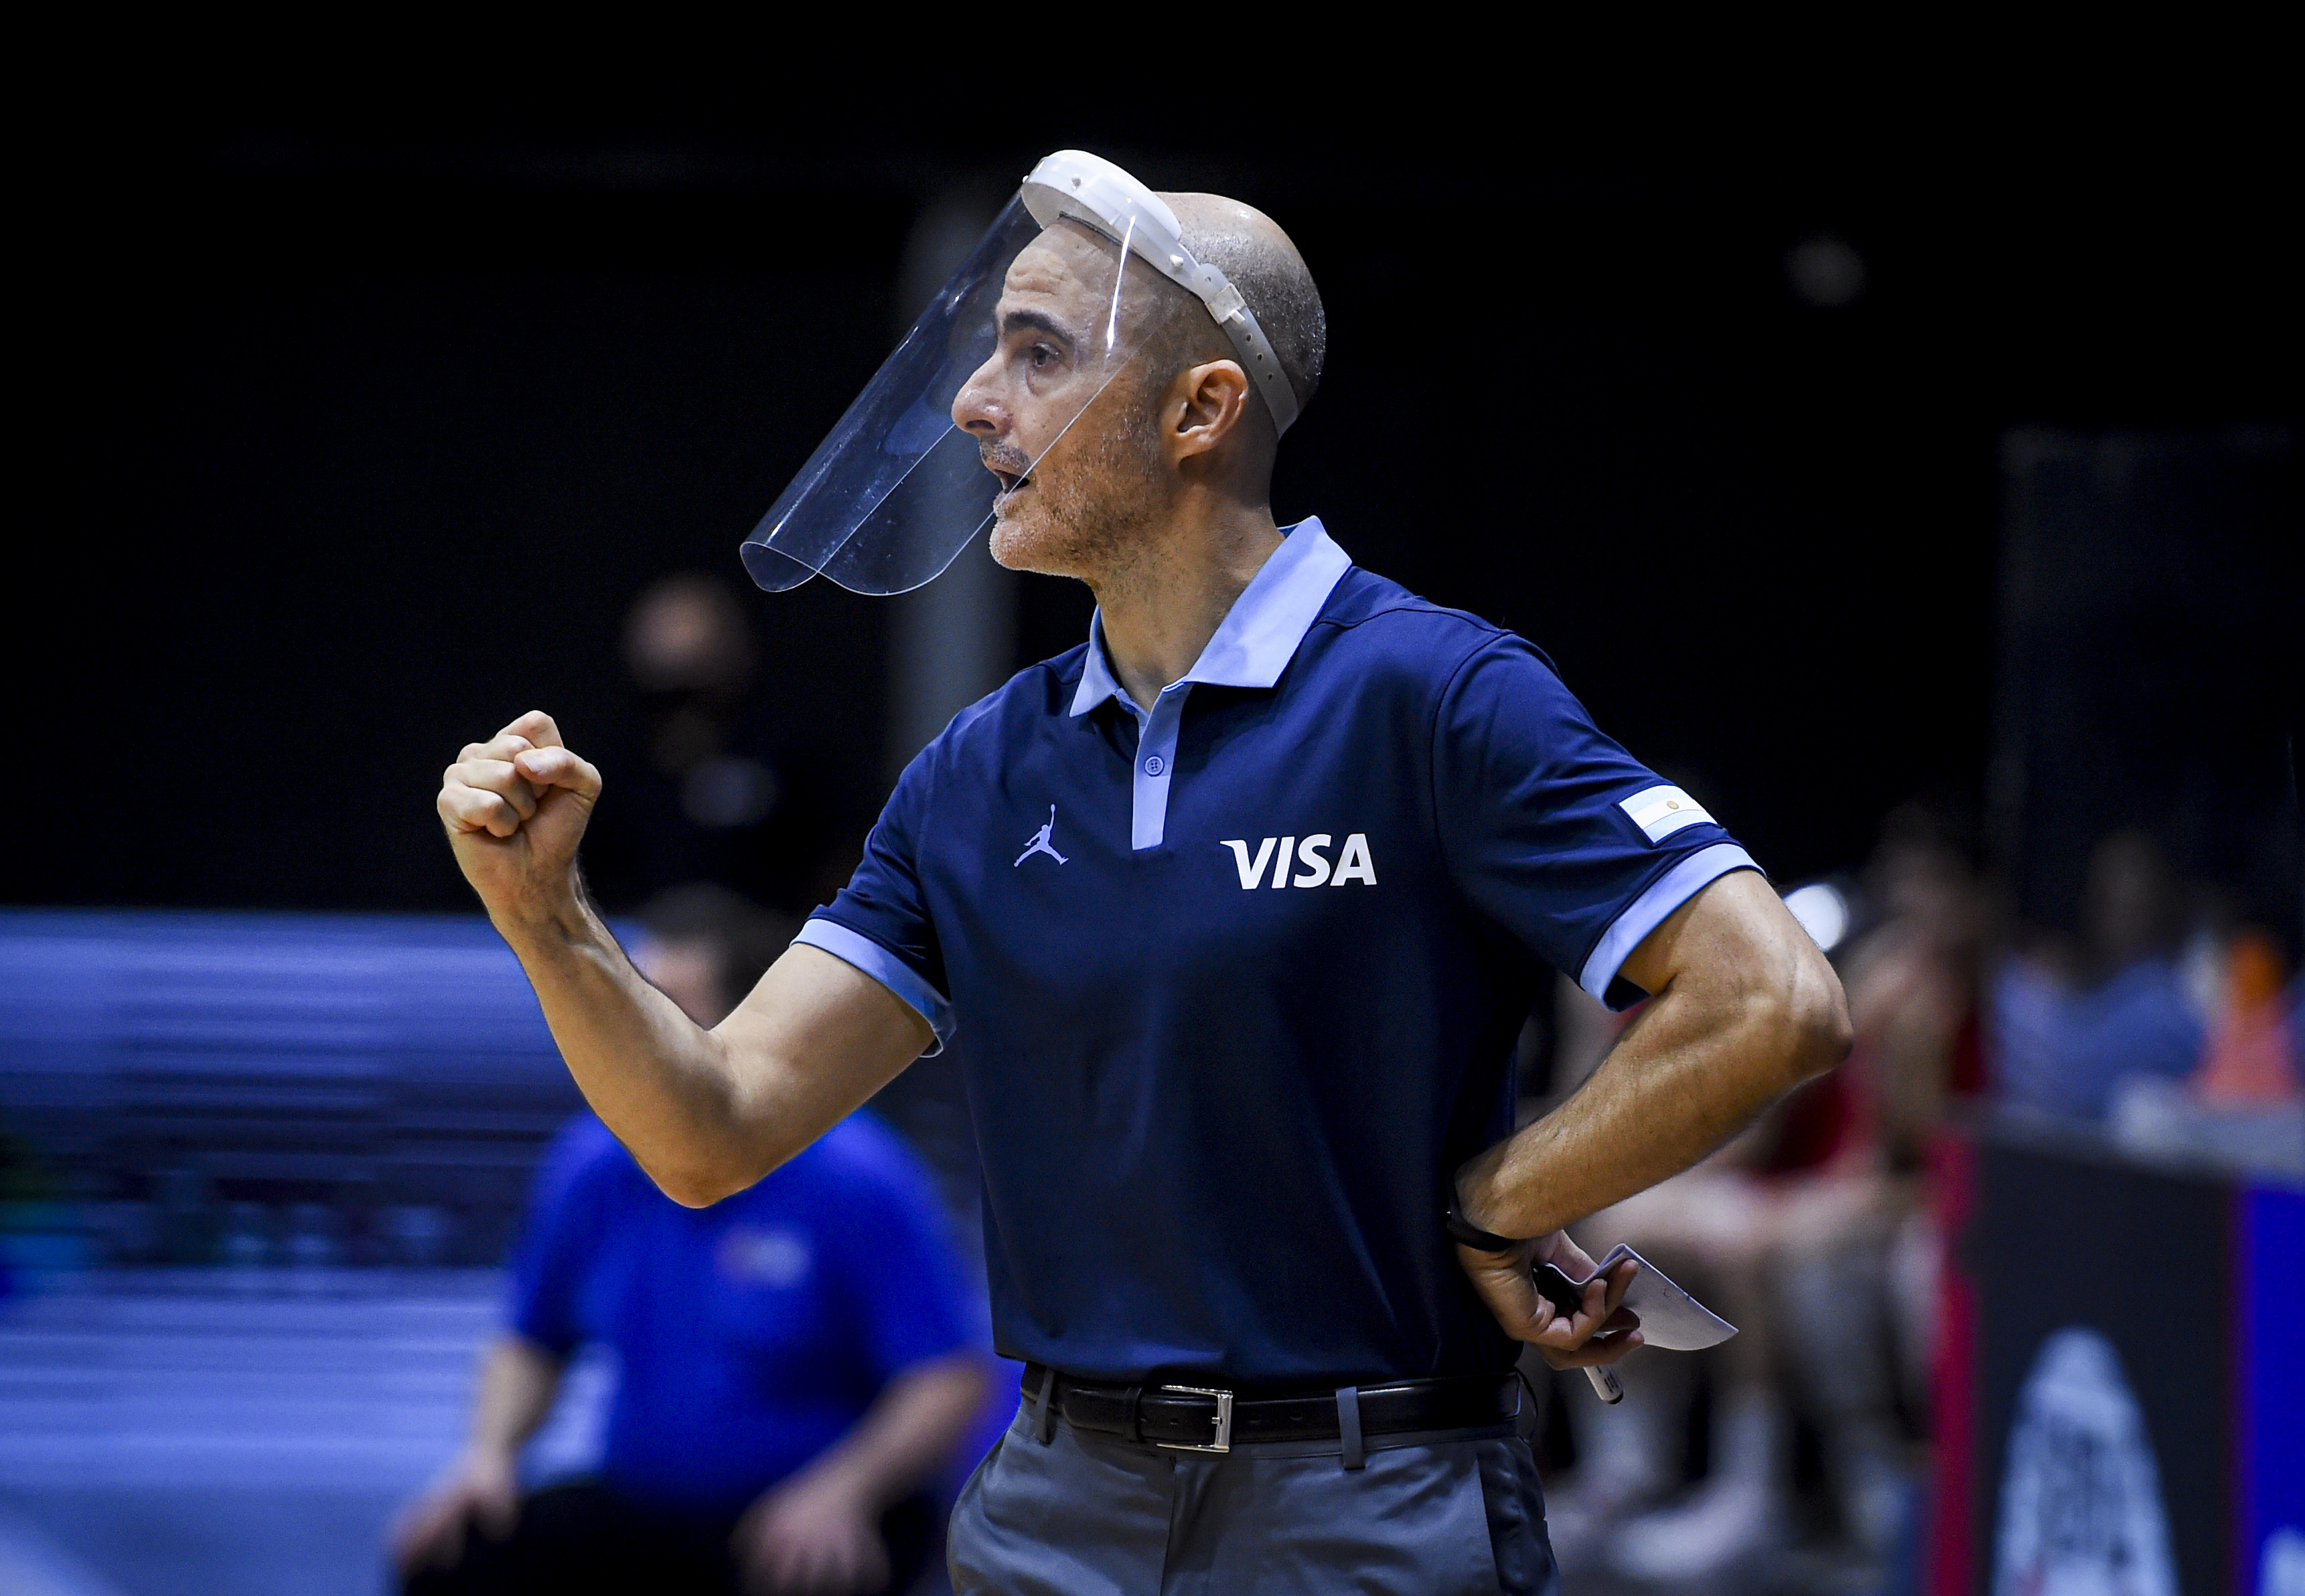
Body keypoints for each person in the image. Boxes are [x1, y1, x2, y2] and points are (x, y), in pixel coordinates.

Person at [434, 150, 1849, 1594]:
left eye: (1034, 353)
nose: (972, 401)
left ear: (1198, 409)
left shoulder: (1436, 696)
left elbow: (1768, 998)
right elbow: (706, 1132)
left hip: (1371, 1503)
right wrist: (548, 920)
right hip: (1055, 1505)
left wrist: (1494, 1196)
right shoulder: (976, 773)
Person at [390, 885, 988, 1595]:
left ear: (746, 1028)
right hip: (644, 1503)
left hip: (806, 1507)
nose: (636, 1032)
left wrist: (842, 1491)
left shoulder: (855, 1174)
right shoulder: (591, 1164)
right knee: (454, 1556)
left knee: (813, 1567)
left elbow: (945, 1378)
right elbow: (531, 1337)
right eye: (631, 1001)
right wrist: (487, 1458)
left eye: (668, 1006)